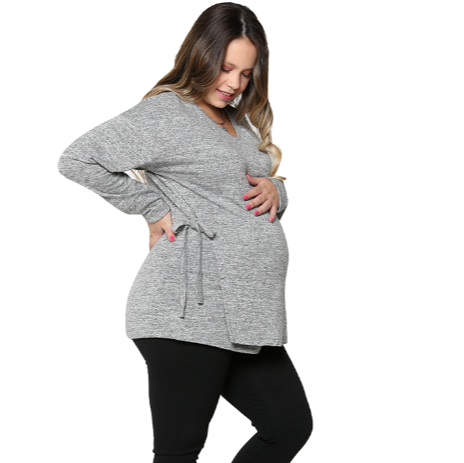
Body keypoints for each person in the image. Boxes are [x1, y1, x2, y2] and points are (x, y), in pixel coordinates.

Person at [57, 2, 313, 462]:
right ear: (200, 55)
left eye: (246, 73)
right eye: (226, 67)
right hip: (187, 309)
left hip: (245, 312)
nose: (234, 83)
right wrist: (151, 207)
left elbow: (237, 188)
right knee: (180, 452)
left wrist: (277, 189)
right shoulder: (167, 114)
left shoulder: (238, 120)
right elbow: (77, 159)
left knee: (288, 426)